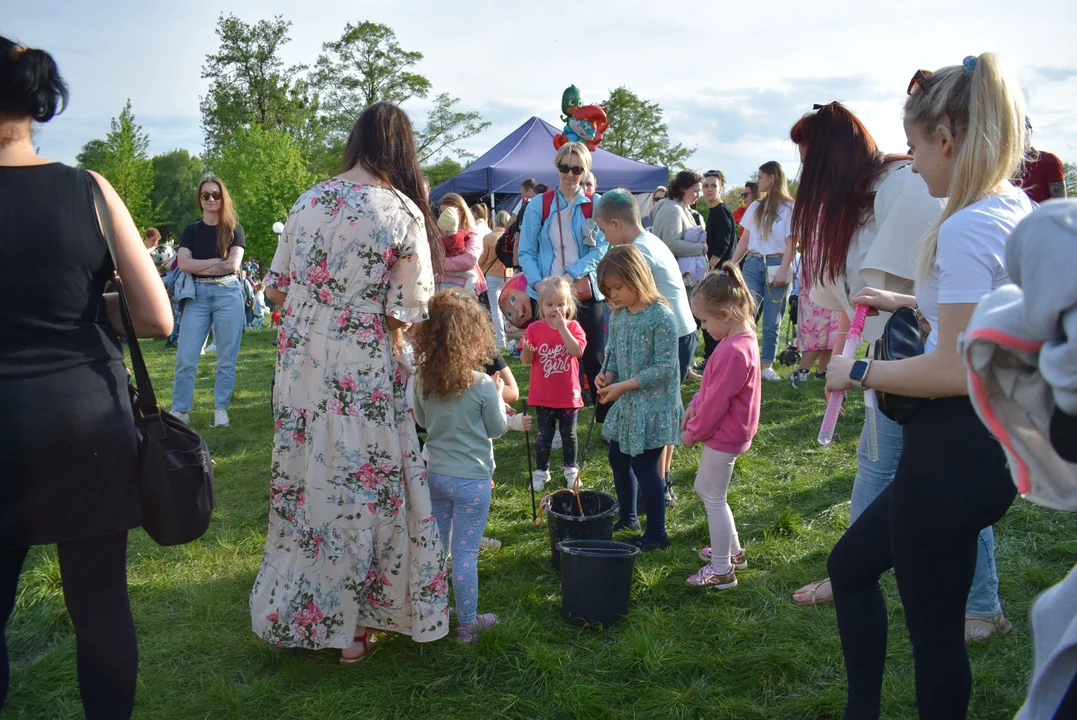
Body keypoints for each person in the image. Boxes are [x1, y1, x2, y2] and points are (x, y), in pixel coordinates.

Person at [823, 53, 1032, 719]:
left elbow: (952, 369)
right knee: (851, 568)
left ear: (945, 139)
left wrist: (856, 371)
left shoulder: (966, 227)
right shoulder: (1009, 206)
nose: (910, 164)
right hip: (985, 446)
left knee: (935, 638)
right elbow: (988, 326)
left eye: (914, 147)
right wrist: (911, 303)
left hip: (953, 449)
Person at [787, 101, 1009, 645]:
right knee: (879, 467)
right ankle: (853, 569)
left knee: (943, 484)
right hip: (904, 362)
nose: (914, 160)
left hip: (927, 372)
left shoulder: (920, 196)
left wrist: (862, 367)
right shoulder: (874, 197)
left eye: (807, 155)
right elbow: (919, 294)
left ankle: (981, 605)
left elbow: (948, 336)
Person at [0, 36, 173, 718]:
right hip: (86, 419)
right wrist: (79, 305)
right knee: (100, 606)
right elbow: (154, 316)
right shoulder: (90, 189)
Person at [250, 102, 448, 663]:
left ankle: (301, 610)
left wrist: (319, 312)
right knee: (362, 489)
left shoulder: (309, 200)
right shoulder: (401, 211)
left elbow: (275, 289)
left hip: (301, 365)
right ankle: (353, 627)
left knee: (306, 482)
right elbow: (409, 309)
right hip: (362, 365)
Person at [411, 289, 528, 643]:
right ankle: (467, 623)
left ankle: (432, 612)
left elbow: (421, 422)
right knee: (465, 554)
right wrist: (495, 395)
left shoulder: (422, 379)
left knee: (437, 548)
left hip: (436, 475)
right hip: (473, 481)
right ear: (474, 335)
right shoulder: (480, 384)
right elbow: (495, 428)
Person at [594, 188, 697, 503]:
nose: (604, 238)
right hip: (681, 329)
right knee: (662, 411)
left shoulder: (638, 253)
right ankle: (660, 483)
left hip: (669, 333)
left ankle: (659, 485)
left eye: (602, 231)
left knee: (661, 412)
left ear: (615, 223)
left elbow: (640, 305)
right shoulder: (650, 240)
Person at [595, 245, 683, 550]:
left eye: (618, 287)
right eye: (608, 290)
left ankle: (657, 533)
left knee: (646, 466)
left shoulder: (661, 316)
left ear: (637, 277)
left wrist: (623, 386)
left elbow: (664, 368)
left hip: (655, 405)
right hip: (630, 401)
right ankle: (629, 516)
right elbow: (615, 355)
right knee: (618, 457)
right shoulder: (618, 316)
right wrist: (608, 376)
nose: (613, 295)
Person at [680, 264, 761, 589]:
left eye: (704, 321)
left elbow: (716, 403)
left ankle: (722, 569)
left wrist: (692, 432)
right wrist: (692, 406)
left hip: (724, 434)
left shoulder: (733, 351)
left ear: (726, 314)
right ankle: (733, 550)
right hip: (729, 432)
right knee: (710, 490)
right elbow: (709, 390)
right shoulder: (738, 340)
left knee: (711, 494)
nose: (703, 327)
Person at [518, 141, 609, 420]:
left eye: (577, 168)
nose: (570, 174)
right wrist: (537, 284)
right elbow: (526, 251)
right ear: (557, 167)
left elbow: (601, 247)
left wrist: (571, 275)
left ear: (585, 171)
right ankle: (553, 419)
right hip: (546, 295)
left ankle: (605, 418)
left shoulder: (596, 204)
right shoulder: (539, 204)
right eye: (564, 167)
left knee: (593, 356)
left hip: (582, 290)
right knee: (549, 358)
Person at [170, 175, 246, 428]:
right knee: (186, 358)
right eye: (206, 195)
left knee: (226, 358)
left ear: (223, 197)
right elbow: (183, 264)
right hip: (197, 296)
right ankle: (180, 411)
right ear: (200, 199)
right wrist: (218, 262)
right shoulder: (191, 230)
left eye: (216, 194)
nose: (211, 199)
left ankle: (220, 409)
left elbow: (233, 265)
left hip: (228, 295)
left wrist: (199, 265)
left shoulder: (234, 229)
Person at [730, 162, 796, 381]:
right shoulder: (756, 206)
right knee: (746, 313)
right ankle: (744, 360)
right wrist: (732, 262)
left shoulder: (789, 208)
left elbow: (791, 243)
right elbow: (745, 238)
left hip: (777, 264)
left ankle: (767, 364)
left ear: (772, 178)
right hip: (752, 263)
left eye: (760, 177)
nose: (757, 181)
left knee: (771, 319)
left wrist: (783, 271)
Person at [521, 276, 587, 492]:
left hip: (568, 395)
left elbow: (576, 351)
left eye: (560, 304)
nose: (555, 309)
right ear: (540, 306)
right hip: (544, 395)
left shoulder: (574, 327)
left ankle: (570, 469)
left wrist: (562, 329)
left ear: (568, 305)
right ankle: (541, 471)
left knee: (569, 434)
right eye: (550, 305)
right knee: (544, 433)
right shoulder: (533, 329)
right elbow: (525, 360)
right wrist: (528, 353)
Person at [697, 170, 739, 372]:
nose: (709, 189)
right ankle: (713, 357)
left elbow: (723, 244)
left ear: (721, 187)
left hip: (721, 271)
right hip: (719, 270)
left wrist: (709, 267)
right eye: (706, 185)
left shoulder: (721, 210)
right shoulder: (713, 210)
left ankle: (712, 357)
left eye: (713, 185)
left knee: (713, 313)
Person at [789, 245, 840, 387]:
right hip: (817, 268)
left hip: (837, 264)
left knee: (835, 328)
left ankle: (822, 371)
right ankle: (801, 372)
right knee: (817, 326)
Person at [651, 171, 707, 266]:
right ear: (683, 189)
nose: (698, 196)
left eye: (699, 192)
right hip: (673, 271)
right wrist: (701, 248)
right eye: (695, 191)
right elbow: (672, 245)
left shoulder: (677, 208)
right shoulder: (673, 210)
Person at [436, 193, 487, 296]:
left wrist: (438, 264)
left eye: (449, 211)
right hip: (438, 286)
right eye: (441, 212)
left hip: (460, 288)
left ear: (461, 211)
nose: (445, 215)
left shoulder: (471, 233)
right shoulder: (437, 234)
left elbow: (469, 260)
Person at [478, 210, 514, 350]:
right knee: (509, 309)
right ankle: (512, 340)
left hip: (492, 276)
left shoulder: (488, 237)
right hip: (509, 274)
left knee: (495, 309)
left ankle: (501, 340)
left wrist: (479, 270)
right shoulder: (511, 237)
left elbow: (483, 258)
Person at [1016, 117, 1067, 204]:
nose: (1020, 134)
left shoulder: (1049, 160)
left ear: (1030, 132)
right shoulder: (999, 167)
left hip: (1040, 216)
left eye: (1024, 128)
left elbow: (1061, 206)